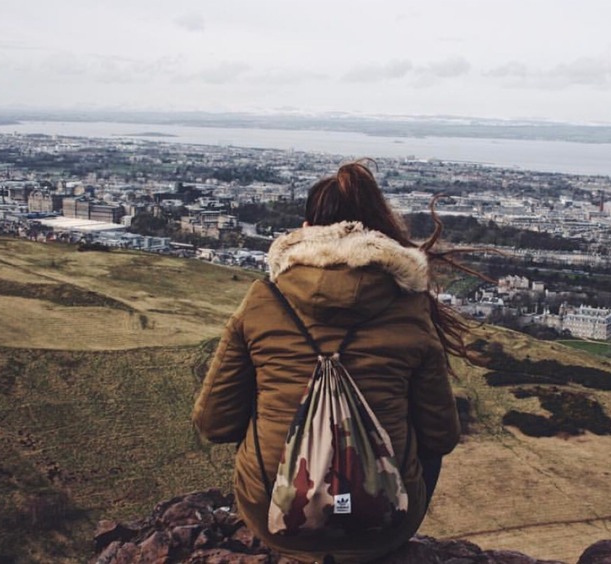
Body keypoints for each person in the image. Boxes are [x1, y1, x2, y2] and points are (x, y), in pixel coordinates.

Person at [192, 160, 465, 563]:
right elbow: (440, 436)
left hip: (275, 518)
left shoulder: (264, 300)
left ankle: (287, 498)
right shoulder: (409, 308)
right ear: (378, 232)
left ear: (305, 229)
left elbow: (215, 423)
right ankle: (370, 515)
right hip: (383, 523)